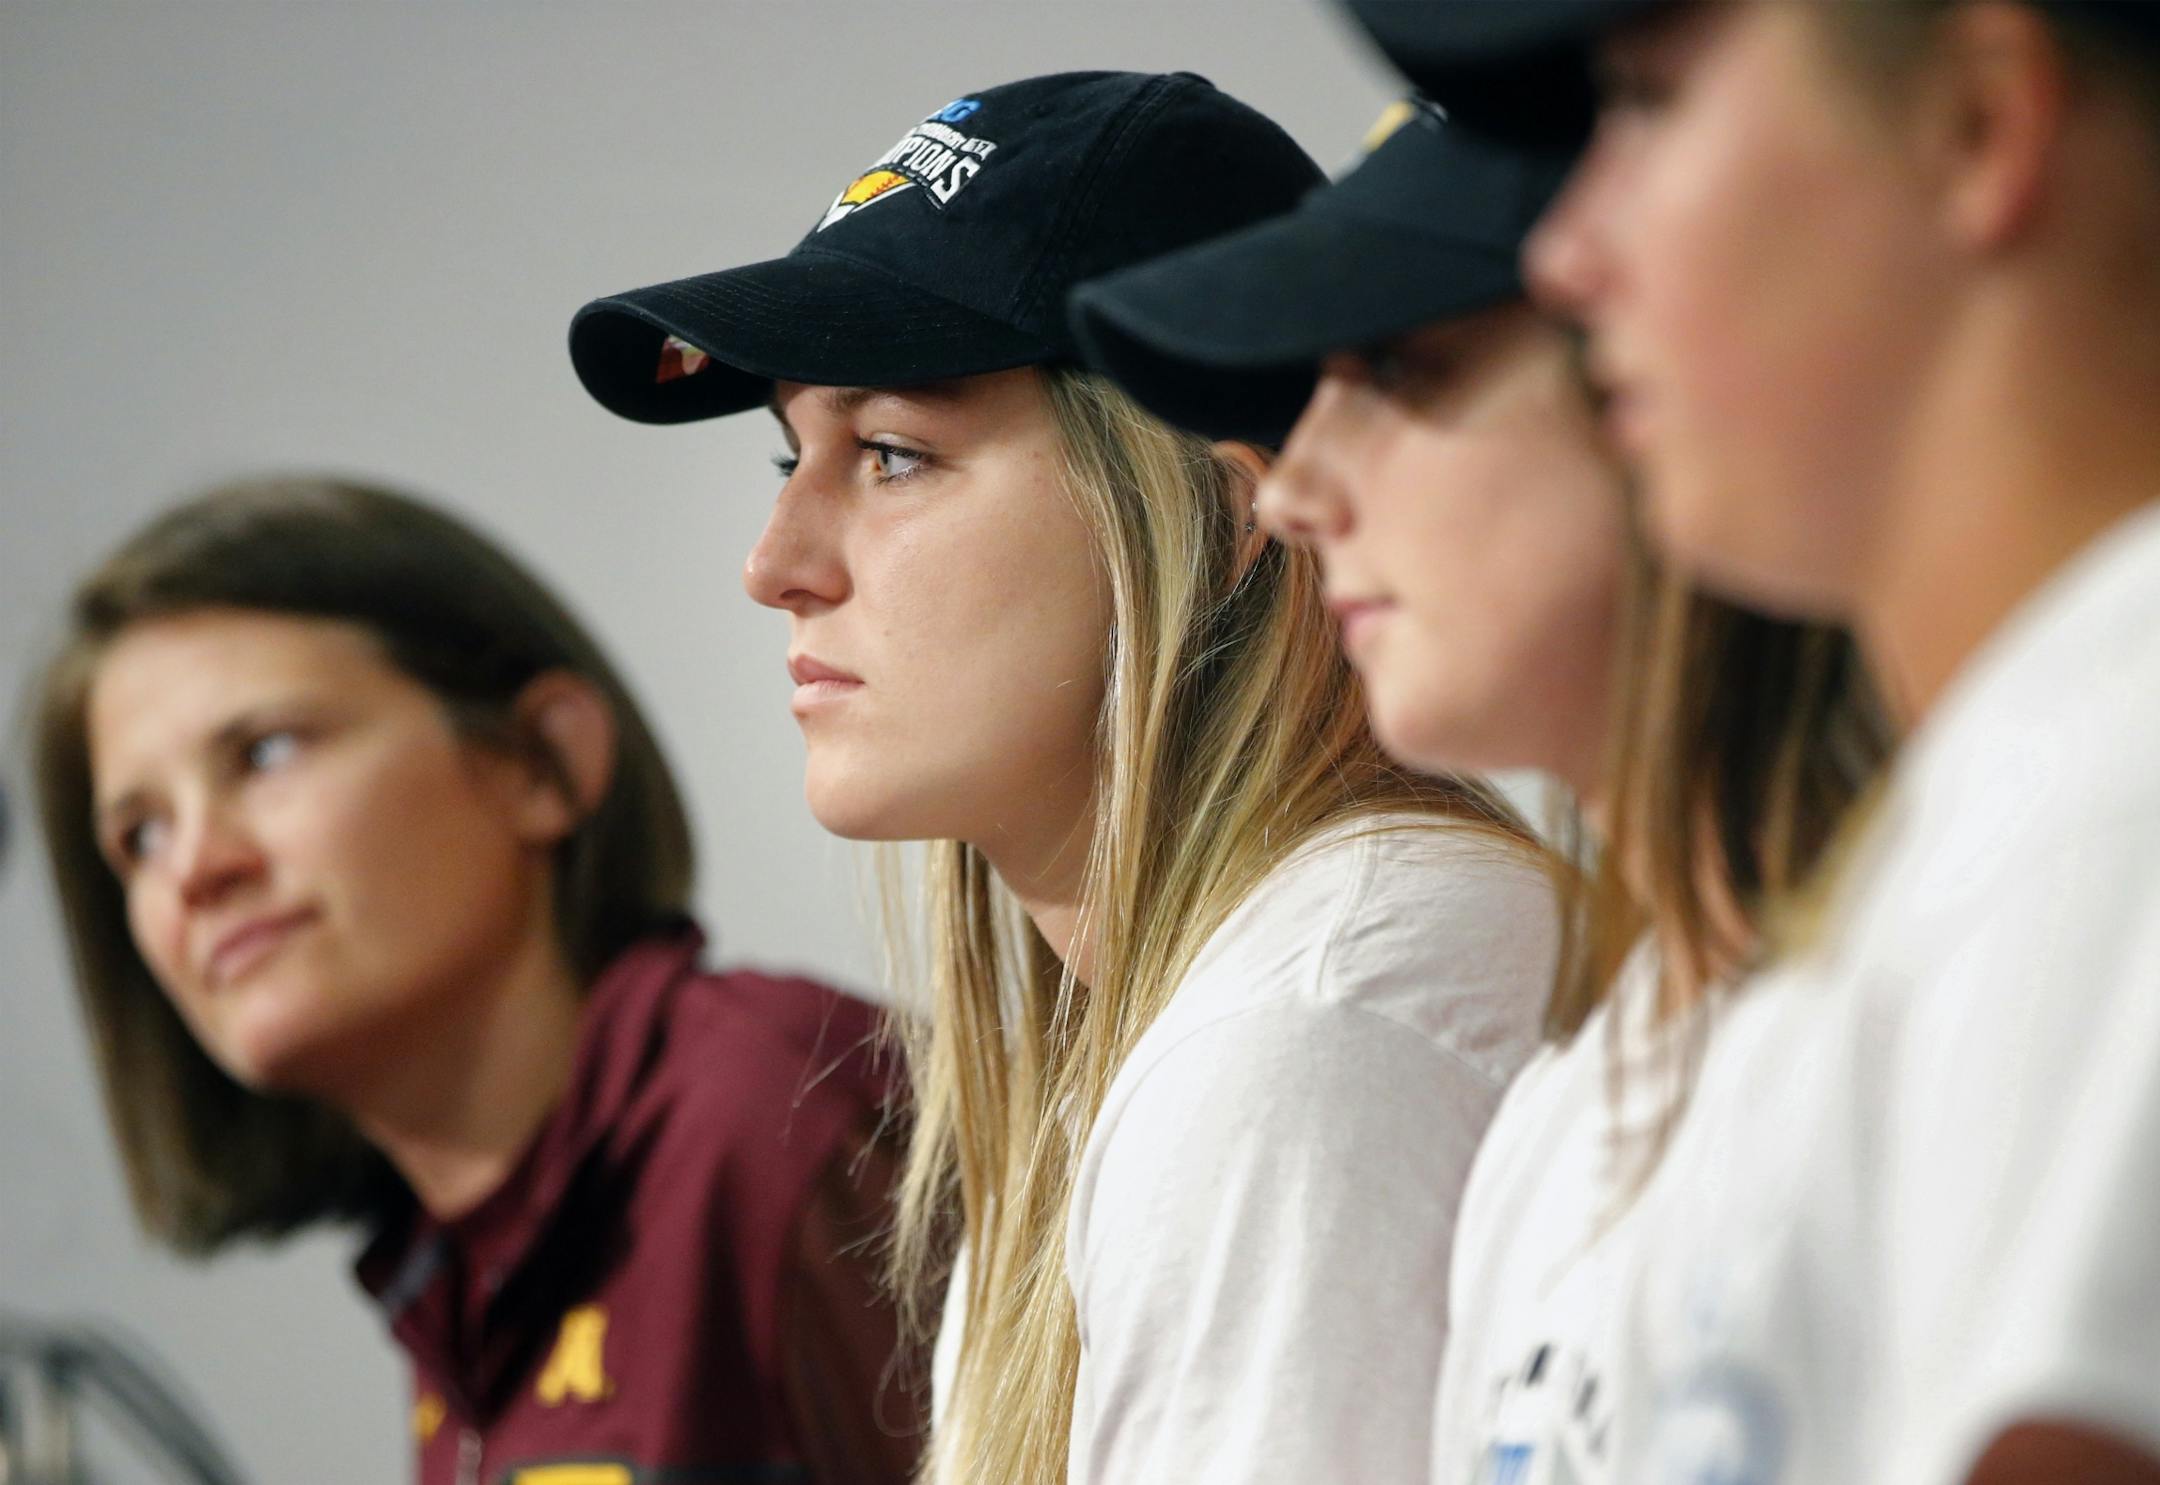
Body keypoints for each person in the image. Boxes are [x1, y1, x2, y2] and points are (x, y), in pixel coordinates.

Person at [568, 70, 1559, 1485]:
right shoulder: (1171, 1049)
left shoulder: (1305, 1029)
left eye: (892, 455)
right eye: (792, 458)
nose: (775, 563)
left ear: (1218, 519)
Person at [1354, 2, 2160, 1481]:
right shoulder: (1988, 824)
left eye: (1647, 103)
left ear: (1978, 124)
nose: (1564, 255)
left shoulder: (2109, 800)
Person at [1068, 88, 1884, 1484]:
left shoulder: (1974, 958)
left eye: (1401, 372)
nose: (1291, 492)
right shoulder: (1566, 1112)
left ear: (1652, 363)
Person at [31, 477, 924, 1485]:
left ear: (540, 761)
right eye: (141, 836)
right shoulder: (454, 1274)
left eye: (265, 752)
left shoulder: (777, 1112)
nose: (195, 869)